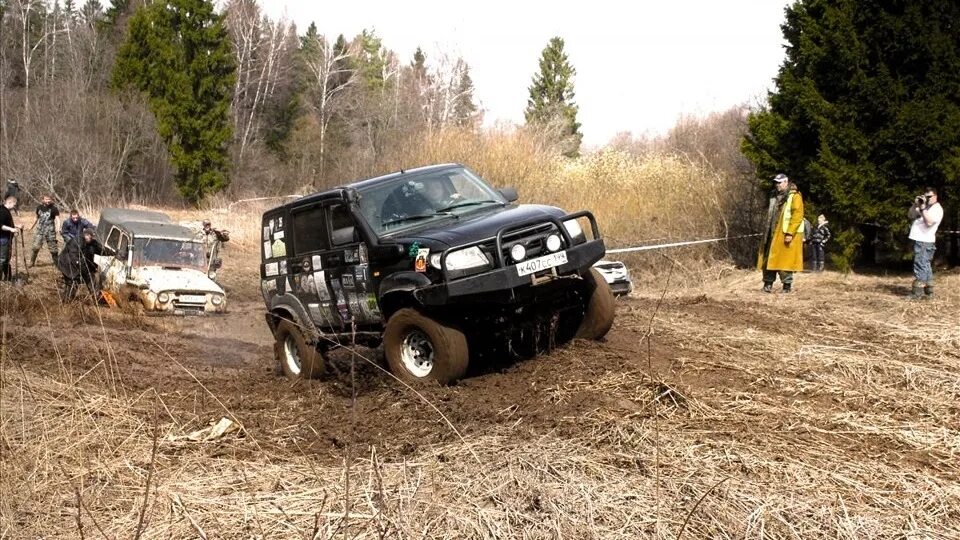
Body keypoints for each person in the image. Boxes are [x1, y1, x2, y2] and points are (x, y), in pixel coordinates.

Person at [757, 173, 805, 293]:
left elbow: (797, 216)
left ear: (786, 182)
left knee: (785, 262)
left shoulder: (795, 196)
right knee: (768, 260)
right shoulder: (773, 196)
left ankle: (786, 287)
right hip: (771, 233)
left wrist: (790, 233)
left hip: (784, 233)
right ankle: (767, 285)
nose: (777, 185)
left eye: (779, 182)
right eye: (776, 182)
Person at [906, 187, 943, 299]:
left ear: (935, 196)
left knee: (920, 265)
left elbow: (929, 222)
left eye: (929, 197)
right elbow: (910, 215)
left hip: (925, 241)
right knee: (925, 265)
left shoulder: (937, 208)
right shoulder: (924, 206)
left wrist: (922, 209)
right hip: (920, 240)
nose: (927, 199)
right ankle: (929, 291)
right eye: (925, 196)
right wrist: (915, 204)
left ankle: (917, 293)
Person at [58, 228, 102, 299]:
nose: (90, 239)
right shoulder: (77, 242)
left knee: (89, 276)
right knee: (72, 282)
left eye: (92, 237)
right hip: (67, 265)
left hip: (79, 264)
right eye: (89, 237)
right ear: (85, 235)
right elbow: (74, 257)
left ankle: (95, 295)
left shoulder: (91, 242)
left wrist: (114, 253)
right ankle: (67, 300)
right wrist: (85, 268)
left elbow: (101, 249)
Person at [30, 195, 60, 267]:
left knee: (53, 249)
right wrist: (31, 227)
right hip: (40, 231)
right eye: (46, 199)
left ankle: (57, 264)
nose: (48, 201)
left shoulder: (54, 209)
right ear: (43, 200)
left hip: (50, 231)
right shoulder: (39, 208)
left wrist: (58, 228)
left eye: (49, 199)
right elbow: (36, 218)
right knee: (35, 247)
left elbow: (57, 219)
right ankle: (31, 262)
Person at [1, 196, 23, 281]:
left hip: (6, 238)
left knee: (6, 259)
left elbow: (6, 223)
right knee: (3, 259)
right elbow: (1, 225)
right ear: (9, 202)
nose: (14, 206)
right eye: (14, 204)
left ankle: (8, 277)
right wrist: (12, 229)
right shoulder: (3, 211)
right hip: (3, 238)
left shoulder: (6, 211)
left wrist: (16, 226)